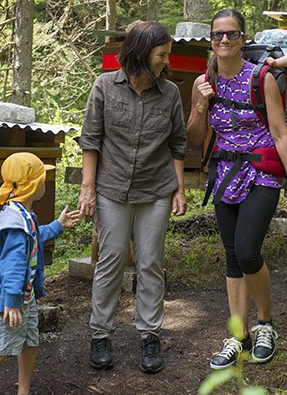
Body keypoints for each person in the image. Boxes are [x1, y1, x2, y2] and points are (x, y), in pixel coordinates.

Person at [186, 9, 287, 370]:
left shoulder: (262, 77)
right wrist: (201, 104)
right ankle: (239, 336)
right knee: (232, 255)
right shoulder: (203, 80)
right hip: (223, 172)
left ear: (243, 39)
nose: (224, 41)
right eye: (218, 35)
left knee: (248, 250)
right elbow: (194, 136)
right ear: (211, 40)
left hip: (260, 172)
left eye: (231, 35)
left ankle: (266, 323)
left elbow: (280, 132)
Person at [77, 21, 188, 374]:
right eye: (161, 54)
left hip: (155, 189)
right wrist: (87, 188)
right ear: (141, 53)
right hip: (111, 188)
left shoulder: (169, 92)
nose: (165, 60)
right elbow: (91, 140)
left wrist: (179, 189)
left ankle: (149, 334)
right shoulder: (104, 86)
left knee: (150, 262)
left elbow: (178, 145)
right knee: (110, 259)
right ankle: (100, 334)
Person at [0, 152, 80, 395]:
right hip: (9, 301)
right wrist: (13, 299)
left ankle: (22, 394)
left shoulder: (22, 214)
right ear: (33, 185)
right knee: (0, 349)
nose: (45, 183)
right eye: (43, 179)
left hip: (21, 298)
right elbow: (13, 265)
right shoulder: (15, 224)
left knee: (29, 343)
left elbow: (34, 239)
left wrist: (58, 226)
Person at [253, 28, 287, 149]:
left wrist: (275, 62)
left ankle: (286, 161)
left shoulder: (286, 60)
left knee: (286, 142)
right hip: (280, 111)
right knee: (278, 142)